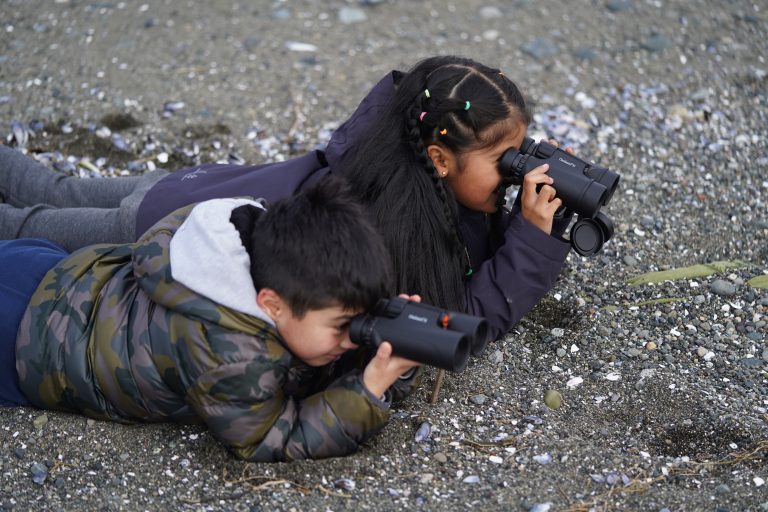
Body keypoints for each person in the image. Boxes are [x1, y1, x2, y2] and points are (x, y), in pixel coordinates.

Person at [0, 55, 572, 341]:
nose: (516, 169)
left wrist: (524, 199)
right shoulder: (382, 229)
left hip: (202, 187)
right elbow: (459, 321)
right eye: (506, 159)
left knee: (51, 192)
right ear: (441, 160)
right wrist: (531, 240)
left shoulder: (395, 164)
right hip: (165, 224)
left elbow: (464, 245)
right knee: (33, 220)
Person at [0, 175, 422, 462]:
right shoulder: (229, 353)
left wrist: (387, 340)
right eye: (341, 326)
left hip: (60, 271)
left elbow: (310, 348)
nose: (351, 338)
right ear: (272, 305)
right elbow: (271, 436)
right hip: (28, 342)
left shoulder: (229, 241)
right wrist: (368, 390)